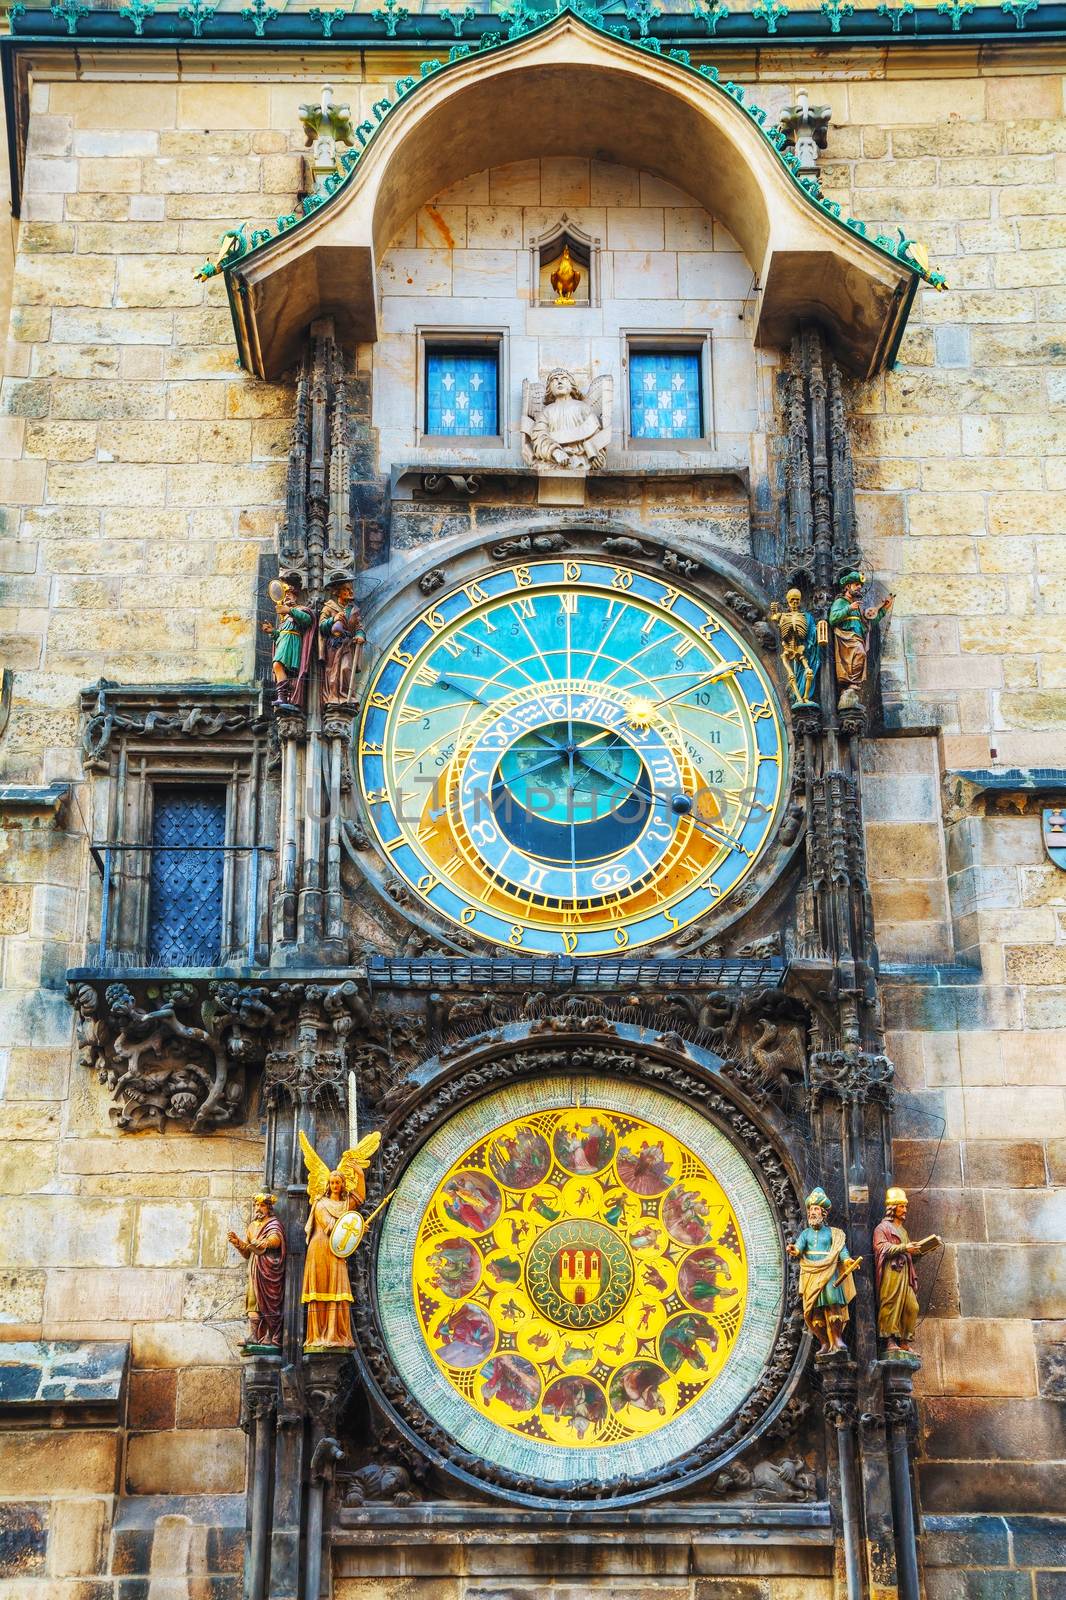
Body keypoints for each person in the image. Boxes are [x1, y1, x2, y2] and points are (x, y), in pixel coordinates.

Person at [787, 1187, 861, 1353]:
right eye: (811, 1209)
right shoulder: (805, 1233)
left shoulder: (833, 1233)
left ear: (823, 1213)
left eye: (816, 1209)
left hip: (830, 1273)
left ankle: (837, 1340)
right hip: (812, 1273)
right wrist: (794, 1250)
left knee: (833, 1305)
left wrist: (847, 1261)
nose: (812, 1213)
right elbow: (799, 1248)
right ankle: (824, 1343)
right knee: (816, 1311)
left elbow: (840, 1249)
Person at [874, 1187, 937, 1353]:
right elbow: (882, 1248)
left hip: (905, 1272)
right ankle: (889, 1340)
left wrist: (920, 1251)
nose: (905, 1210)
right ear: (893, 1208)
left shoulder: (903, 1231)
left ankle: (904, 1340)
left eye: (905, 1206)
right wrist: (904, 1247)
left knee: (912, 1307)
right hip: (892, 1273)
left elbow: (908, 1253)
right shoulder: (882, 1228)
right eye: (902, 1206)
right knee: (891, 1304)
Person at [228, 1192, 286, 1349]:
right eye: (256, 1205)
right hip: (254, 1267)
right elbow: (247, 1253)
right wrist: (238, 1243)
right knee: (253, 1302)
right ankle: (254, 1336)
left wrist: (265, 1243)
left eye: (262, 1205)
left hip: (268, 1268)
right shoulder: (252, 1226)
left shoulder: (273, 1223)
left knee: (269, 1302)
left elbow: (276, 1239)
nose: (258, 1208)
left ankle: (270, 1335)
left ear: (268, 1208)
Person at [829, 570, 893, 710]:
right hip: (846, 638)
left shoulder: (857, 606)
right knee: (860, 654)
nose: (859, 587)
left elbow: (868, 621)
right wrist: (848, 608)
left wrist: (883, 609)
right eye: (856, 584)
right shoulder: (841, 602)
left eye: (860, 585)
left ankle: (852, 684)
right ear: (847, 587)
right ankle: (849, 683)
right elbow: (833, 618)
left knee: (860, 655)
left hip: (857, 637)